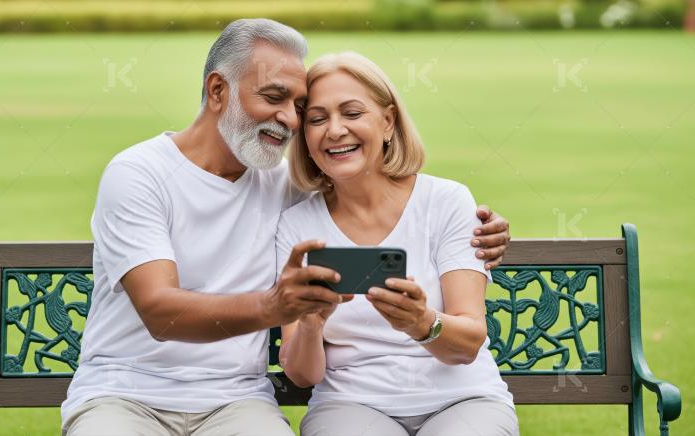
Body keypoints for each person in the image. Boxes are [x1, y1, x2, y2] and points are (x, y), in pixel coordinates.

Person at [61, 19, 512, 436]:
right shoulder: (139, 174)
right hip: (125, 394)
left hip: (235, 401)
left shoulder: (286, 187)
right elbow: (162, 313)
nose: (292, 120)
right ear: (218, 91)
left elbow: (369, 192)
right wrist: (274, 306)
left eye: (298, 106)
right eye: (274, 98)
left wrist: (485, 230)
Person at [276, 51, 519, 436]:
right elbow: (303, 375)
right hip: (350, 405)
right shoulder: (296, 224)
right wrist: (310, 324)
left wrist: (421, 322)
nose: (334, 130)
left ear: (388, 122)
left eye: (352, 113)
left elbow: (468, 344)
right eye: (317, 119)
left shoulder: (446, 202)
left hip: (463, 400)